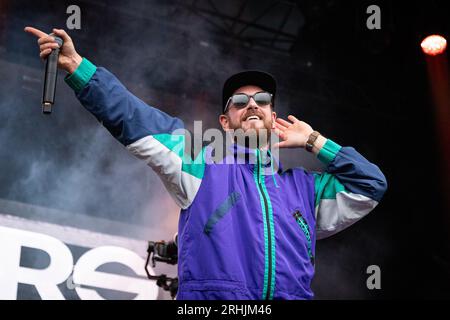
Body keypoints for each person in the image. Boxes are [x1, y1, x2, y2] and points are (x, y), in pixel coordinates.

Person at [25, 27, 387, 300]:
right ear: (225, 123)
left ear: (274, 116)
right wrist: (79, 69)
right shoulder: (201, 167)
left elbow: (371, 185)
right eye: (239, 102)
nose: (252, 105)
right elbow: (137, 120)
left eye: (261, 99)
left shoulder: (305, 189)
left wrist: (314, 141)